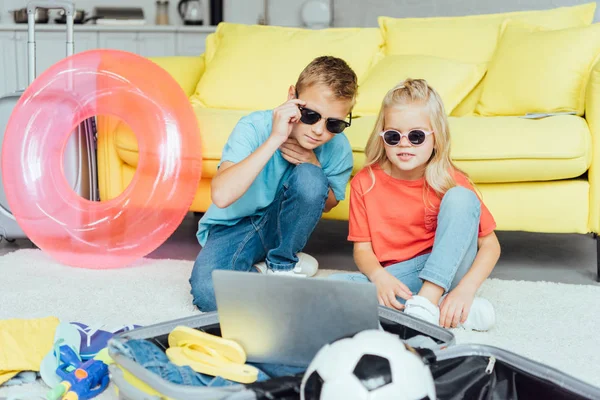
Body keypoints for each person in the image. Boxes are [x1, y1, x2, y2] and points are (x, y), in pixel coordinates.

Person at [330, 78, 501, 331]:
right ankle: (443, 308)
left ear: (436, 137)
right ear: (382, 136)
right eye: (393, 136)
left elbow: (490, 245)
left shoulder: (451, 180)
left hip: (448, 265)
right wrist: (379, 277)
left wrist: (465, 289)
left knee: (461, 197)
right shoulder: (365, 183)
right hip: (399, 277)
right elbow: (363, 250)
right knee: (333, 289)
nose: (404, 144)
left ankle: (428, 301)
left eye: (417, 136)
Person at [190, 56, 357, 312]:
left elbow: (328, 203)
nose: (319, 131)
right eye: (311, 115)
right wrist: (275, 139)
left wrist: (313, 164)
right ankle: (263, 269)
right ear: (292, 96)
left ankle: (282, 264)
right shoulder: (254, 127)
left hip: (281, 229)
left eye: (334, 123)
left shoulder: (337, 146)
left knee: (311, 176)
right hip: (233, 228)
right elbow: (222, 196)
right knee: (209, 294)